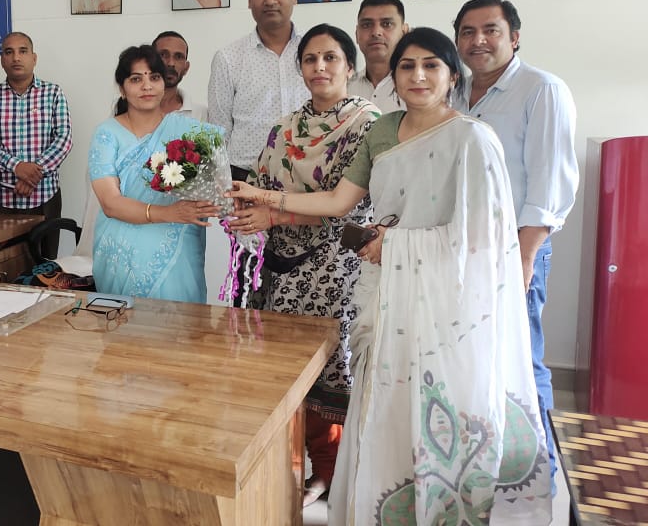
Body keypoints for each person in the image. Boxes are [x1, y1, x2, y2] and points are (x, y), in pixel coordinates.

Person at [228, 28, 553, 525]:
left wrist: (395, 245)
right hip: (383, 294)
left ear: (452, 76)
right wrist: (264, 198)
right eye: (407, 66)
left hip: (445, 306)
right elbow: (339, 200)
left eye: (431, 65)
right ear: (393, 76)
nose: (418, 76)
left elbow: (482, 240)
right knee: (383, 405)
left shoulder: (472, 139)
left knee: (440, 411)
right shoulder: (383, 132)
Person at [223, 25, 379, 505]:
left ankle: (332, 472)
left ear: (349, 66)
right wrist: (245, 208)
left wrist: (272, 210)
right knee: (284, 370)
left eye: (331, 58)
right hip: (281, 266)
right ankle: (291, 465)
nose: (320, 67)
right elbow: (259, 182)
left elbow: (346, 206)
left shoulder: (367, 124)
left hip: (335, 267)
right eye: (310, 59)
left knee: (332, 369)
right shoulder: (285, 127)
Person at [452, 0, 579, 484]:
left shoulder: (541, 90)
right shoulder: (455, 91)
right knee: (472, 359)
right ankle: (485, 467)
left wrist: (524, 258)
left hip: (515, 248)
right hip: (460, 248)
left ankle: (539, 476)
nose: (478, 40)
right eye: (467, 32)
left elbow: (549, 186)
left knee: (522, 361)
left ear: (515, 36)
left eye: (491, 30)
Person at [89, 45, 220, 302]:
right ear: (122, 88)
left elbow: (212, 188)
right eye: (136, 79)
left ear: (163, 84)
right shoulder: (107, 134)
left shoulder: (191, 131)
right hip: (121, 252)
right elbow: (110, 203)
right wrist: (168, 213)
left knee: (182, 322)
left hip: (179, 251)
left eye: (154, 77)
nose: (147, 86)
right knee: (125, 324)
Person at [209, 0, 309, 181]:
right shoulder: (228, 58)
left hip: (308, 177)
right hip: (245, 179)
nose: (270, 0)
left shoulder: (316, 52)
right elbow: (218, 133)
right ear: (249, 0)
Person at [0, 32, 73, 257]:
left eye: (23, 51)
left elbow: (64, 139)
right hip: (2, 199)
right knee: (4, 265)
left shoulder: (53, 93)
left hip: (45, 196)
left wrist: (33, 175)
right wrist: (17, 167)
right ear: (2, 60)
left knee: (46, 264)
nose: (16, 58)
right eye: (9, 52)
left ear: (34, 58)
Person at [348, 0, 410, 112]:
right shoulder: (344, 88)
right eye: (367, 25)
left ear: (404, 32)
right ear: (357, 34)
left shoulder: (418, 87)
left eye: (387, 24)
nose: (376, 32)